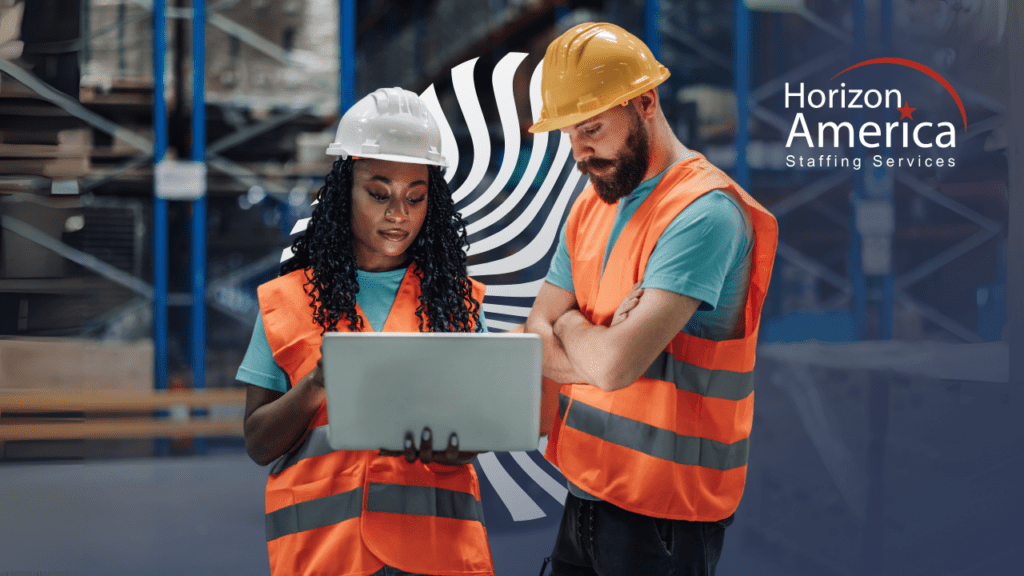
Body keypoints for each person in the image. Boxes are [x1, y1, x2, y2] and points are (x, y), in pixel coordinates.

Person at [523, 23, 779, 576]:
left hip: (665, 515)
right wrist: (589, 333)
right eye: (569, 135)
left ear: (645, 101)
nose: (580, 153)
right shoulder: (590, 209)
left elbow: (615, 367)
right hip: (585, 494)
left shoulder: (703, 214)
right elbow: (533, 334)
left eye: (591, 128)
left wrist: (568, 325)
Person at [238, 87, 495, 576]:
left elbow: (477, 432)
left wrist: (449, 444)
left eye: (415, 198)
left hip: (434, 553)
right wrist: (315, 385)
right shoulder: (286, 302)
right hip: (325, 556)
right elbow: (258, 443)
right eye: (379, 194)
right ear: (343, 192)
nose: (398, 213)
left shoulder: (458, 303)